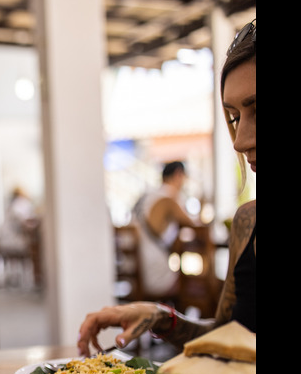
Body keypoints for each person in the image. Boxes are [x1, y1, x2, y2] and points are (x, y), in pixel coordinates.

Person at [78, 18, 255, 356]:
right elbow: (226, 338)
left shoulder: (154, 197)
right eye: (234, 117)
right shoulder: (247, 222)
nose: (240, 140)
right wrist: (160, 316)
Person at [131, 160, 200, 298]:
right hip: (154, 271)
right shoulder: (170, 196)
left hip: (135, 270)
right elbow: (193, 224)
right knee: (196, 285)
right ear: (178, 175)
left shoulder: (149, 195)